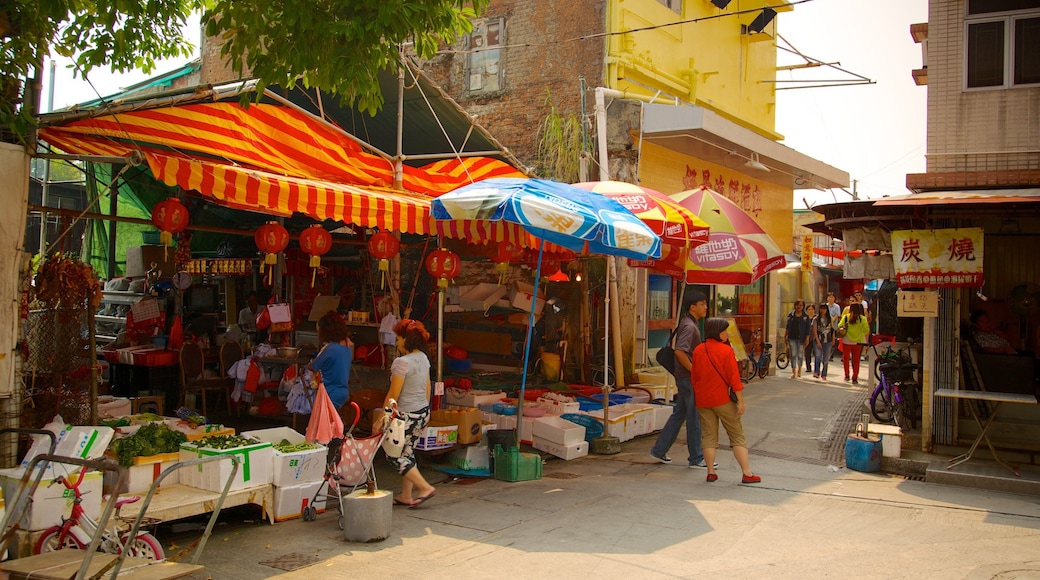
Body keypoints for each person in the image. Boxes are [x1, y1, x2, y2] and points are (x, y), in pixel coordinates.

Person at [691, 318, 761, 484]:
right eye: (724, 331)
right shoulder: (726, 351)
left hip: (703, 400)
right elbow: (734, 379)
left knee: (708, 436)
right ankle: (747, 473)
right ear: (718, 332)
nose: (726, 334)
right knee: (736, 435)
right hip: (723, 399)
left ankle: (710, 472)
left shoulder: (698, 350)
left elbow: (694, 377)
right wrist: (741, 401)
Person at [376, 319, 436, 508]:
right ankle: (406, 495)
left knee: (393, 455)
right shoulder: (423, 358)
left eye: (399, 338)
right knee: (408, 452)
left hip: (406, 415)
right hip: (422, 413)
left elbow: (393, 395)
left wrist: (380, 419)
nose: (397, 342)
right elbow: (427, 387)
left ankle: (424, 487)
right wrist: (427, 411)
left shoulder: (401, 363)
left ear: (407, 340)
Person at [650, 290, 713, 469]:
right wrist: (694, 371)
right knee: (694, 417)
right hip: (688, 378)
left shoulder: (688, 323)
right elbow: (679, 351)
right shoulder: (689, 326)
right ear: (693, 307)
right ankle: (696, 458)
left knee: (680, 415)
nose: (705, 307)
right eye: (702, 304)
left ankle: (659, 450)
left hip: (684, 378)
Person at [306, 311, 354, 408]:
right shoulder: (348, 346)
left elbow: (312, 367)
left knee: (325, 422)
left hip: (330, 393)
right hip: (343, 392)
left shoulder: (330, 348)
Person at [838, 303, 870, 384]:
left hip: (846, 340)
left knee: (846, 358)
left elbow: (839, 325)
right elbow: (866, 330)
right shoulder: (862, 318)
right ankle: (855, 377)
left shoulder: (846, 317)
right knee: (856, 360)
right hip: (858, 342)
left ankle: (847, 375)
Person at [784, 299, 811, 379]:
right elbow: (787, 326)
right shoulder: (791, 315)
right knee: (793, 354)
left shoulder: (805, 316)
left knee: (800, 354)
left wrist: (807, 338)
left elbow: (808, 328)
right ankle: (793, 371)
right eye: (797, 305)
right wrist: (785, 336)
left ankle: (799, 370)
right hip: (792, 337)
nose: (799, 307)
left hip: (801, 338)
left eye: (801, 305)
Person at [812, 303, 834, 380]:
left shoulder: (829, 319)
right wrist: (818, 341)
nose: (822, 310)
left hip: (828, 340)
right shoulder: (816, 319)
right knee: (818, 356)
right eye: (821, 309)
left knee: (825, 359)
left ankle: (824, 374)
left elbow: (832, 330)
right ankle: (816, 372)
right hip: (818, 339)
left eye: (824, 309)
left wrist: (833, 339)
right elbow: (814, 331)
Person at [803, 304, 816, 374]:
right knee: (807, 353)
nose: (810, 311)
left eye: (812, 309)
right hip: (807, 338)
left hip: (815, 338)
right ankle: (808, 367)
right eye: (809, 309)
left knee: (817, 353)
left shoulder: (816, 318)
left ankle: (817, 368)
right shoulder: (805, 318)